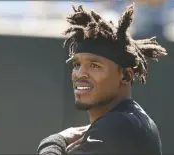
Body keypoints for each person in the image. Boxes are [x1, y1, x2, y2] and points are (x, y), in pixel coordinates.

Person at [37, 3, 167, 155]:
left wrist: (58, 140)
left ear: (125, 75)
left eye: (94, 65)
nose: (80, 73)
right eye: (77, 64)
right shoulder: (127, 121)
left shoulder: (119, 126)